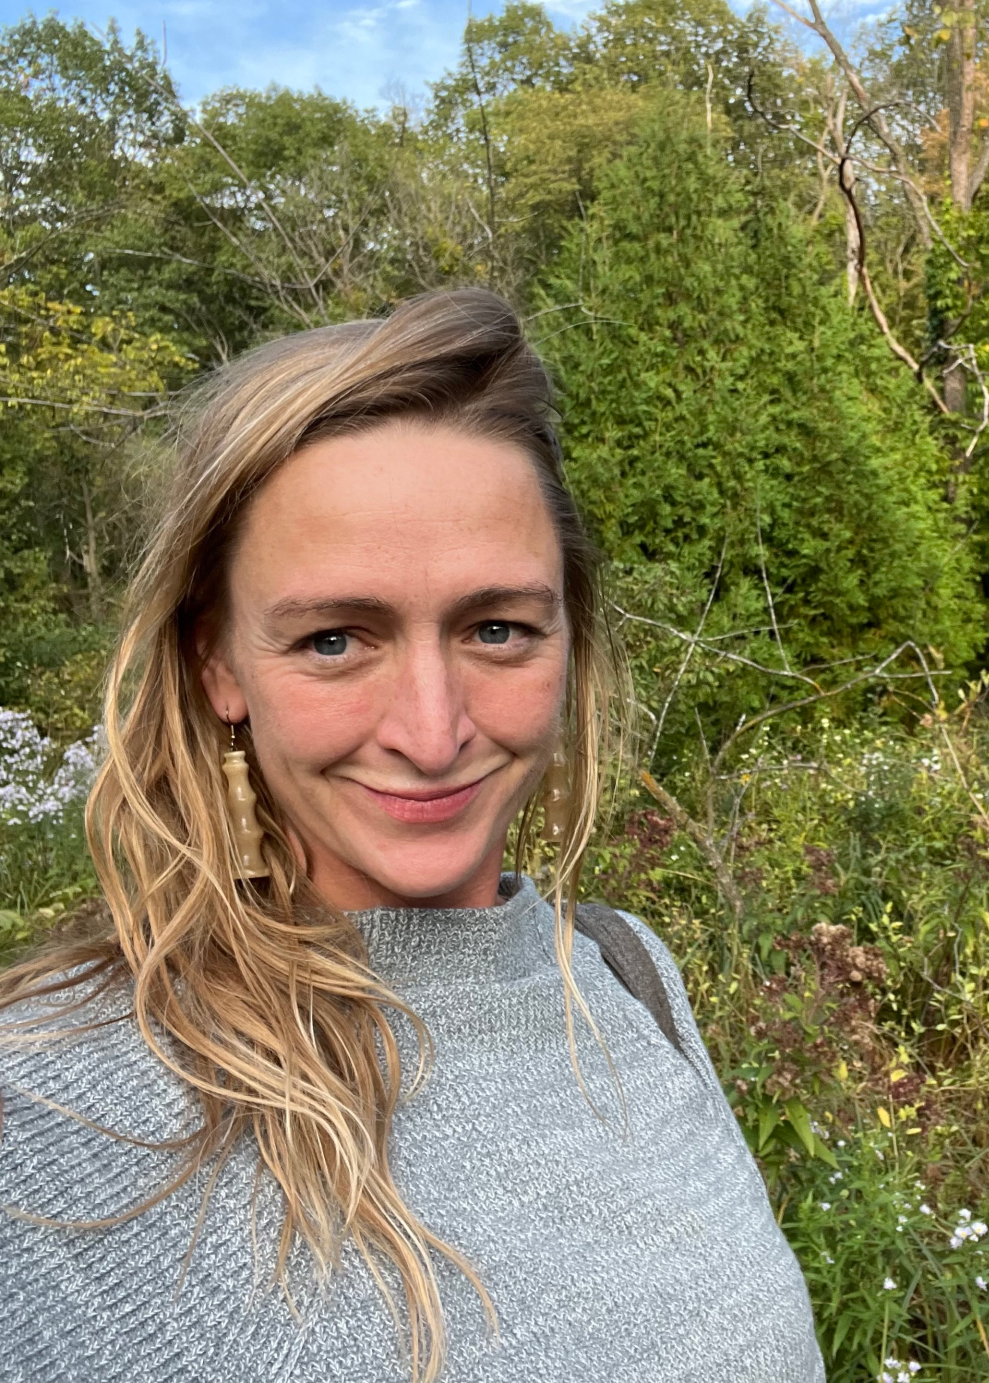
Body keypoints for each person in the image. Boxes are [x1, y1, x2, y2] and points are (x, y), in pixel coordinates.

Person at [0, 290, 825, 1383]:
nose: (433, 736)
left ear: (569, 636)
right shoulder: (52, 1107)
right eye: (336, 639)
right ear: (217, 665)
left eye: (498, 630)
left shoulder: (626, 978)